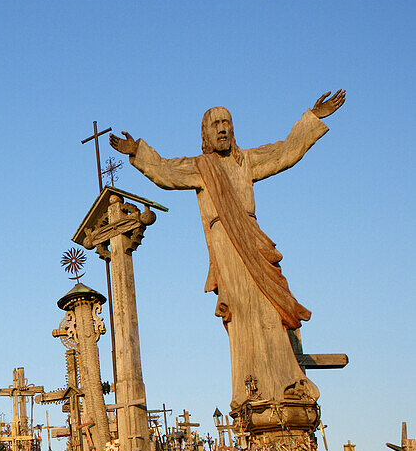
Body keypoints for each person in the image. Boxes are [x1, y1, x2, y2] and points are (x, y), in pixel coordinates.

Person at [108, 91, 344, 411]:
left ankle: (285, 378)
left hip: (252, 237)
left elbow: (286, 151)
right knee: (244, 311)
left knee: (271, 308)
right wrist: (138, 151)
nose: (222, 128)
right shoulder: (201, 167)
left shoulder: (247, 160)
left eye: (227, 123)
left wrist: (313, 119)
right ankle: (252, 385)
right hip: (226, 242)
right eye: (215, 124)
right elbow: (166, 172)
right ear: (205, 134)